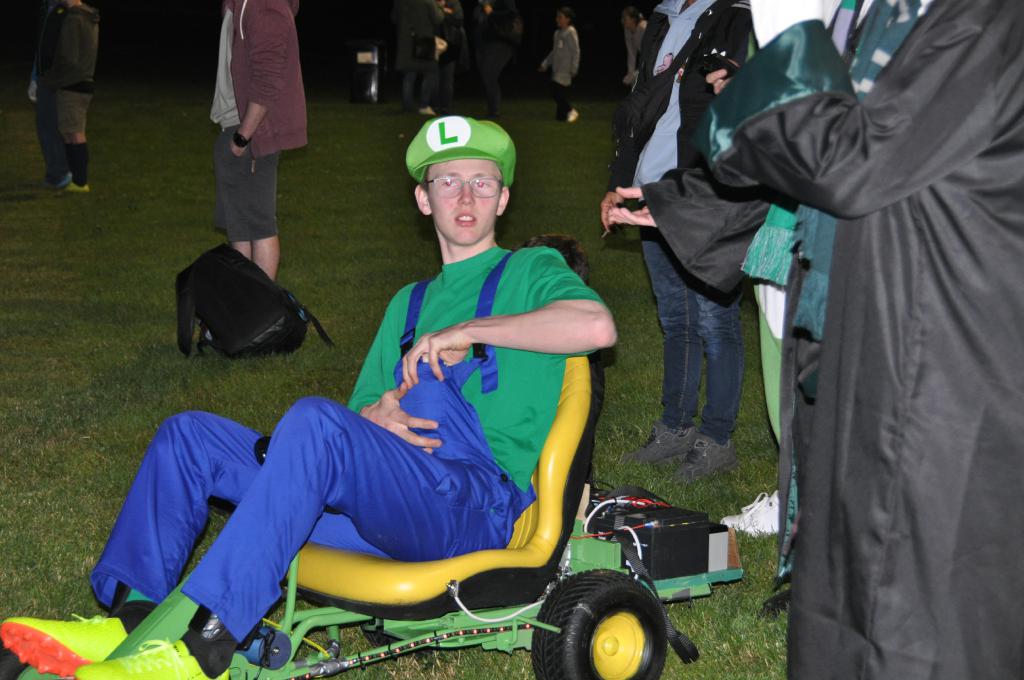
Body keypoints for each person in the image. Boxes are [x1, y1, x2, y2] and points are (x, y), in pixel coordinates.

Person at [0, 115, 616, 680]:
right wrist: (371, 414)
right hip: (389, 506)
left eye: (482, 184)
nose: (465, 198)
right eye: (448, 182)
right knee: (190, 436)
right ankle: (130, 622)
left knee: (318, 423)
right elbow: (352, 425)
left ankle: (206, 648)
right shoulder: (408, 305)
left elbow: (596, 326)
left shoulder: (531, 270)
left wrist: (468, 332)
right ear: (423, 198)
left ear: (503, 200)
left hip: (472, 509)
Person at [689, 0, 1024, 677]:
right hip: (866, 347)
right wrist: (681, 202)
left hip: (946, 367)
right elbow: (823, 157)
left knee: (917, 621)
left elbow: (851, 160)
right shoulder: (887, 13)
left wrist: (789, 28)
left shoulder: (987, 16)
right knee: (839, 604)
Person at [600, 0, 752, 482]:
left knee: (715, 321)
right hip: (653, 190)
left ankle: (717, 437)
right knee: (676, 318)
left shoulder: (738, 15)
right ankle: (675, 427)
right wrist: (621, 178)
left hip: (705, 193)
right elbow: (642, 105)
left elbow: (740, 106)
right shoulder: (663, 17)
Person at [210, 0, 306, 282]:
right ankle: (243, 300)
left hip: (253, 131)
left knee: (259, 226)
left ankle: (262, 302)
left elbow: (267, 80)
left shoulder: (266, 6)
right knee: (238, 227)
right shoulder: (239, 3)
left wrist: (243, 136)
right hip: (233, 124)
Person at [36, 0, 98, 193]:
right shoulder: (87, 16)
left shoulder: (73, 18)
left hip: (71, 85)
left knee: (74, 134)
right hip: (81, 82)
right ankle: (76, 179)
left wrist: (50, 79)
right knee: (72, 132)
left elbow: (67, 58)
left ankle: (79, 182)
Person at [30, 0, 71, 190]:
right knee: (44, 125)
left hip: (55, 79)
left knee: (53, 125)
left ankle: (61, 172)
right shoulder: (46, 9)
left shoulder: (67, 12)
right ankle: (56, 172)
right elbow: (41, 47)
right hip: (44, 77)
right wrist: (34, 77)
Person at [392, 0, 445, 115]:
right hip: (424, 42)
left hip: (406, 43)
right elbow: (438, 19)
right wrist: (440, 7)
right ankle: (424, 105)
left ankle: (407, 107)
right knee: (431, 73)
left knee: (409, 76)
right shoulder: (428, 1)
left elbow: (394, 19)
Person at [473, 0, 521, 118]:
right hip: (483, 43)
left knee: (489, 75)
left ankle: (494, 110)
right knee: (487, 76)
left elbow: (512, 13)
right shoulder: (481, 3)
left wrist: (492, 13)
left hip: (499, 42)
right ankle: (492, 108)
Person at [538, 6, 581, 123]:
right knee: (559, 92)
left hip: (565, 69)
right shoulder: (557, 33)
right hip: (557, 68)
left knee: (554, 90)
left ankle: (571, 110)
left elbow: (576, 51)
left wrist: (574, 67)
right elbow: (554, 51)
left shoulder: (571, 32)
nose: (557, 19)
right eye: (557, 17)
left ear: (568, 19)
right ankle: (562, 116)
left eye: (560, 17)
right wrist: (545, 64)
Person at [434, 0, 467, 115]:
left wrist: (442, 11)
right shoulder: (431, 3)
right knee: (434, 78)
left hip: (450, 45)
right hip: (435, 44)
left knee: (447, 78)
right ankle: (435, 105)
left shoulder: (453, 2)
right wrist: (445, 11)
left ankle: (445, 106)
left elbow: (459, 19)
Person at [620, 5, 647, 87]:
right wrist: (630, 73)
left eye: (625, 18)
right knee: (633, 80)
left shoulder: (644, 28)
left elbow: (651, 53)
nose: (622, 21)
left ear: (633, 19)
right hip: (647, 61)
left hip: (659, 59)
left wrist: (639, 72)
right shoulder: (627, 30)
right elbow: (631, 53)